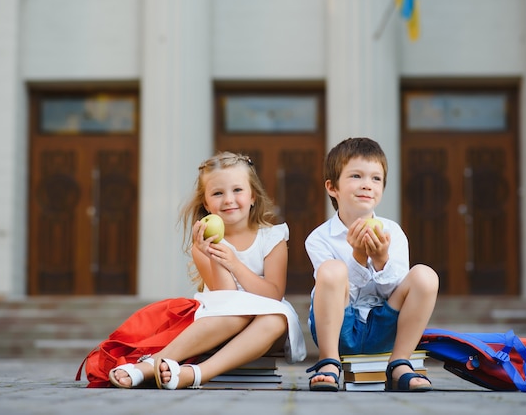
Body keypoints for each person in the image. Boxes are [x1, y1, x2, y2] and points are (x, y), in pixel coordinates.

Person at [108, 151, 306, 389]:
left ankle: (197, 374)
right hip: (223, 322)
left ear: (253, 196)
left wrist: (235, 263)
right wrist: (214, 253)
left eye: (237, 190)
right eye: (218, 193)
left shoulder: (272, 237)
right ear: (207, 204)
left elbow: (273, 294)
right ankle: (153, 364)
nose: (228, 200)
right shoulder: (202, 245)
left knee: (275, 318)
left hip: (265, 329)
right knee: (236, 314)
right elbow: (227, 298)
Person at [304, 137, 439, 392]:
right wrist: (356, 257)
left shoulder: (393, 232)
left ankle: (400, 362)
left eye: (376, 179)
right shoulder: (319, 238)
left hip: (385, 329)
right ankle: (328, 362)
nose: (367, 185)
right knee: (332, 270)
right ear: (332, 187)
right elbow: (336, 292)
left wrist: (380, 261)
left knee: (425, 275)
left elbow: (396, 293)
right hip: (339, 329)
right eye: (356, 176)